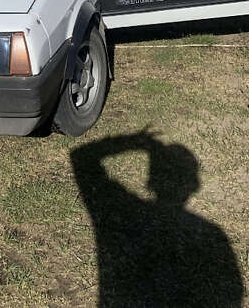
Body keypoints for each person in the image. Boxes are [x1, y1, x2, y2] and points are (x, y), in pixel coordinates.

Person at [70, 129, 243, 307]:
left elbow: (81, 158)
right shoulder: (212, 234)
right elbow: (231, 293)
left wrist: (139, 141)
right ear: (194, 185)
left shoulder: (123, 212)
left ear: (150, 181)